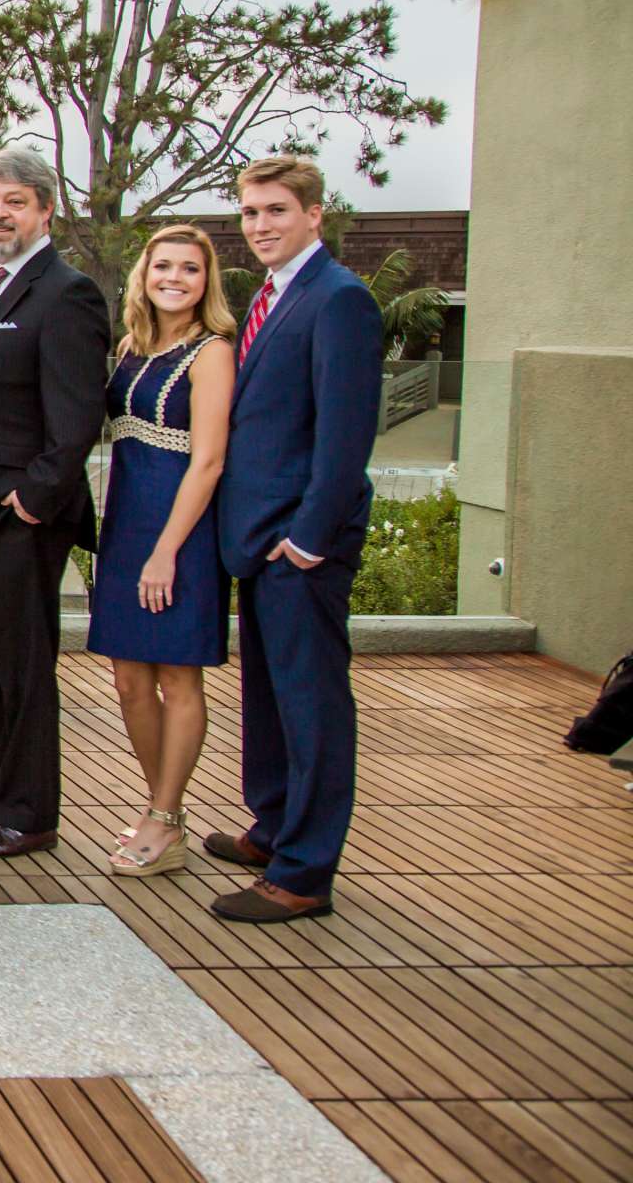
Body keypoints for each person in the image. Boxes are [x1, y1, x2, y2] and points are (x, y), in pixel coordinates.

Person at [205, 156, 381, 923]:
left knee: (312, 707)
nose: (260, 226)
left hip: (300, 545)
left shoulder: (340, 300)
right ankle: (274, 828)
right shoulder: (275, 297)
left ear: (315, 213)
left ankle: (305, 872)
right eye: (249, 213)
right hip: (261, 537)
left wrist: (308, 539)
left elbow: (346, 436)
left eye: (276, 210)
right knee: (270, 699)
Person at [0, 146, 109, 858]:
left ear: (44, 209)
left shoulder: (67, 294)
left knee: (26, 666)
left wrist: (29, 502)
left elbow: (76, 421)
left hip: (21, 516)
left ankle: (31, 813)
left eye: (12, 201)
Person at [89, 225, 236, 876]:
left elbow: (208, 463)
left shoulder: (212, 354)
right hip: (125, 524)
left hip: (180, 531)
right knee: (127, 680)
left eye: (189, 269)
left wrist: (166, 551)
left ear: (207, 283)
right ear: (144, 274)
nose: (174, 278)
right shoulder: (133, 348)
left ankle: (167, 817)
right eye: (163, 266)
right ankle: (159, 807)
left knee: (177, 677)